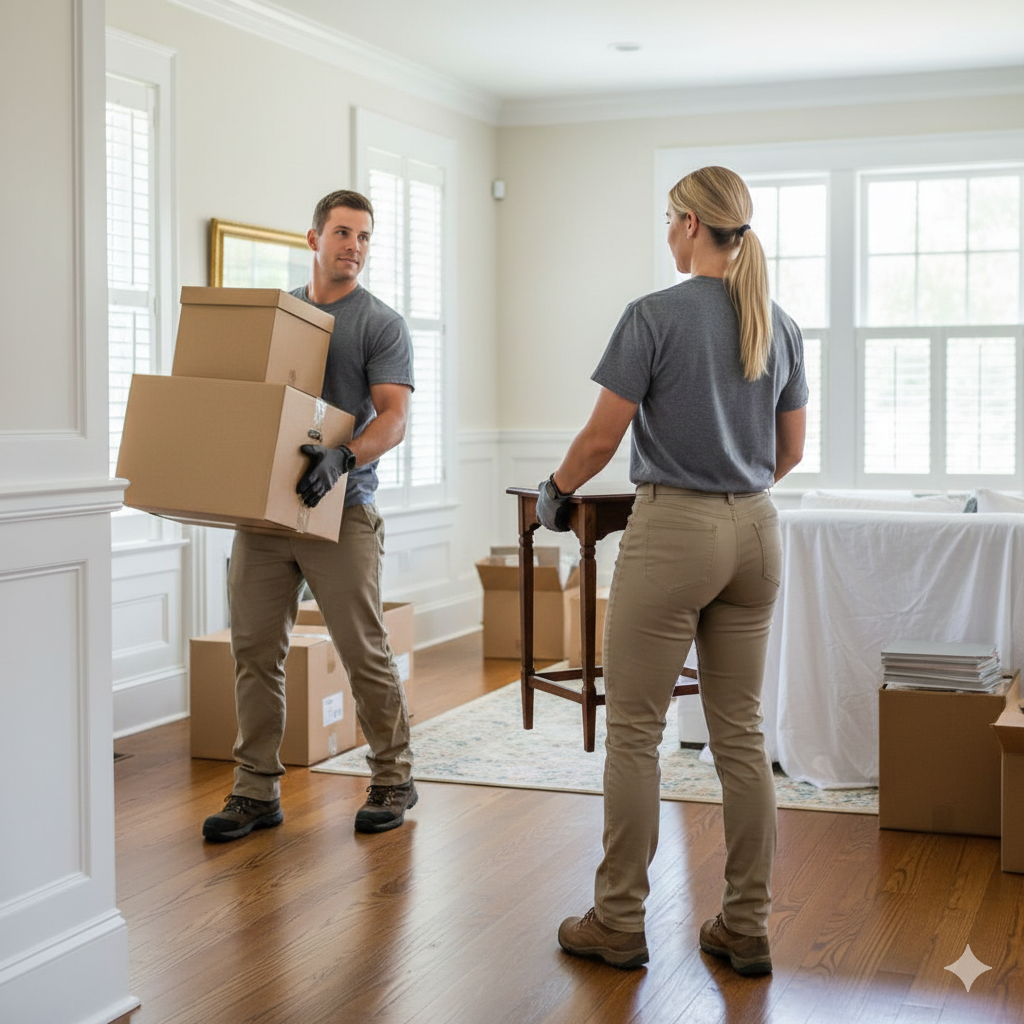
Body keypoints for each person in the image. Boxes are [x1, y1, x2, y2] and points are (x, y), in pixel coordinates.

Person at [540, 166, 807, 972]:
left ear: (692, 224)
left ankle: (618, 921)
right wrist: (737, 490)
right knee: (741, 736)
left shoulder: (653, 316)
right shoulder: (780, 322)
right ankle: (746, 924)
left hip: (674, 533)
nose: (667, 230)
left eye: (669, 217)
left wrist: (556, 493)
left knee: (633, 731)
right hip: (758, 531)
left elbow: (598, 443)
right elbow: (789, 452)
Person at [202, 189, 417, 841]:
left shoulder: (379, 323)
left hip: (341, 511)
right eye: (344, 233)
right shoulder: (281, 314)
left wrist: (343, 457)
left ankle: (393, 775)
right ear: (313, 238)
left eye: (365, 237)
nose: (355, 246)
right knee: (255, 648)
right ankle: (255, 791)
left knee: (362, 648)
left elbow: (395, 416)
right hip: (266, 513)